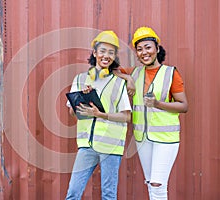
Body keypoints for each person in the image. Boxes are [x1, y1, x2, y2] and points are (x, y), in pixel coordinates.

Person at [114, 26, 188, 200]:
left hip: (165, 139)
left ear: (157, 48)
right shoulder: (136, 72)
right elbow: (111, 70)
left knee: (157, 184)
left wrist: (157, 104)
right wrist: (129, 78)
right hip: (143, 139)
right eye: (139, 49)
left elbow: (184, 106)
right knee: (150, 183)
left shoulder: (171, 73)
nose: (144, 52)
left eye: (148, 47)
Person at [65, 30, 132, 200]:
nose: (106, 56)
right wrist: (82, 99)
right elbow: (74, 114)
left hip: (111, 145)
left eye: (111, 53)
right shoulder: (80, 79)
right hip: (87, 144)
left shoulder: (118, 82)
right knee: (73, 193)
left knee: (108, 195)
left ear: (114, 57)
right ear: (94, 53)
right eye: (102, 51)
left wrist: (100, 114)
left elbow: (126, 116)